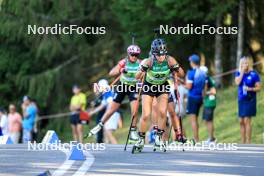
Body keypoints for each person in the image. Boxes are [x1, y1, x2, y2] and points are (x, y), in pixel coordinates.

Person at [133, 38, 184, 151]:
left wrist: (176, 68)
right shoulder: (149, 61)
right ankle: (140, 139)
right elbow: (136, 77)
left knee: (162, 112)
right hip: (149, 86)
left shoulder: (170, 60)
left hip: (162, 86)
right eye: (158, 55)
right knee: (146, 114)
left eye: (163, 55)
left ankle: (158, 139)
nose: (161, 57)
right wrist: (142, 69)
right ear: (153, 54)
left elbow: (181, 74)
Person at [88, 45, 142, 143]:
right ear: (128, 54)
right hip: (122, 86)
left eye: (136, 55)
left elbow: (145, 74)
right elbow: (111, 73)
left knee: (135, 110)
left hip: (133, 87)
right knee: (111, 110)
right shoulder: (124, 62)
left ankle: (133, 131)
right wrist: (121, 70)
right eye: (132, 54)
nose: (134, 56)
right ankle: (99, 125)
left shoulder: (140, 63)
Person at [235, 56, 261, 144]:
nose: (245, 65)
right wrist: (242, 72)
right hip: (241, 100)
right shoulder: (238, 73)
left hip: (250, 99)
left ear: (249, 64)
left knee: (247, 120)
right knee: (241, 121)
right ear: (240, 65)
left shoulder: (254, 74)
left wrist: (250, 89)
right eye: (243, 63)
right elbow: (237, 82)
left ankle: (249, 142)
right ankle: (243, 142)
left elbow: (258, 88)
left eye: (246, 63)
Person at [185, 54, 206, 143]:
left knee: (193, 120)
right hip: (200, 97)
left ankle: (196, 139)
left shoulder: (191, 73)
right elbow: (205, 86)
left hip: (192, 97)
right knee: (196, 118)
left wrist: (185, 81)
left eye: (190, 61)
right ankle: (197, 138)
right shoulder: (202, 72)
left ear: (192, 62)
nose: (190, 63)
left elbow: (189, 86)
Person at [200, 66, 217, 144]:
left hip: (210, 102)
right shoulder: (207, 78)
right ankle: (211, 137)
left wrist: (204, 94)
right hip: (208, 102)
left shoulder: (206, 79)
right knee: (207, 121)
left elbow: (213, 91)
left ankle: (212, 139)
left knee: (209, 121)